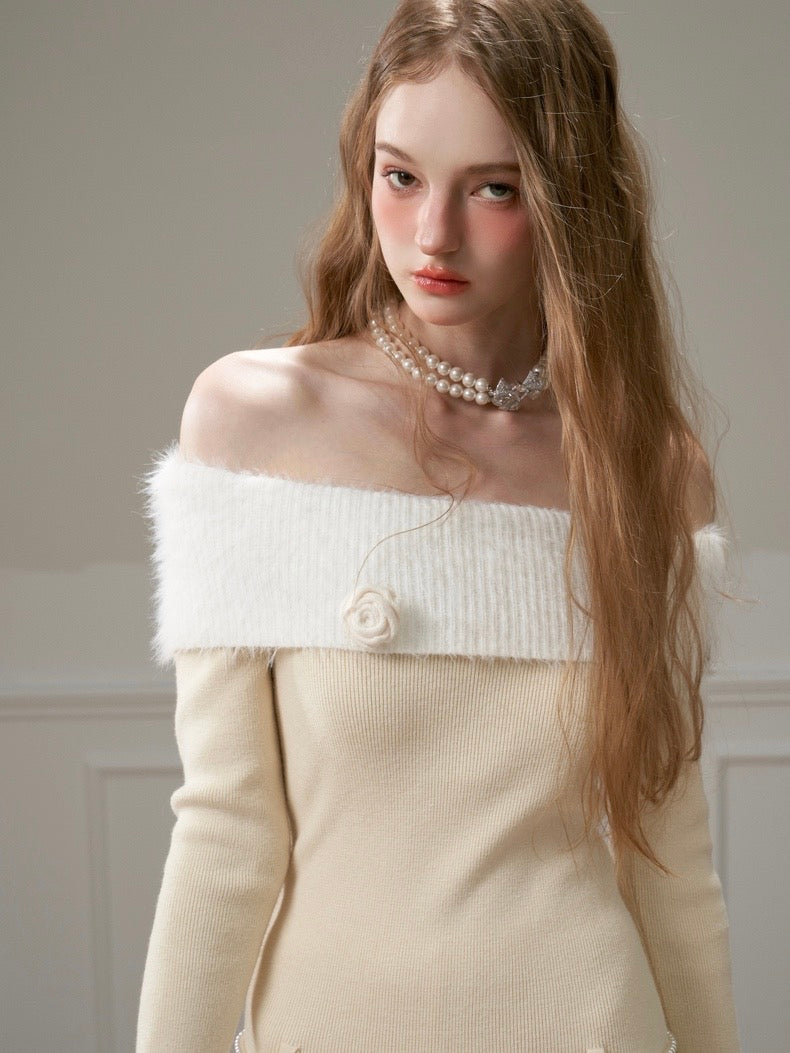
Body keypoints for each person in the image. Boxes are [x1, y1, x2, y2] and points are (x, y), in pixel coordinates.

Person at [136, 1, 742, 1050]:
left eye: (493, 188)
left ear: (569, 197)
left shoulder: (646, 469)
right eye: (401, 176)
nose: (433, 235)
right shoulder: (254, 422)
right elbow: (226, 835)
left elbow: (670, 863)